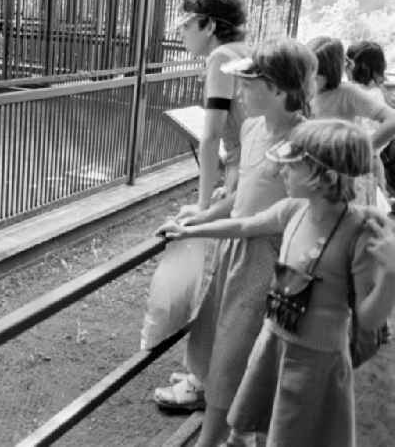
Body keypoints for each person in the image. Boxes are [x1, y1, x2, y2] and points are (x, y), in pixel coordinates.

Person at [158, 119, 395, 447]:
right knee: (267, 428)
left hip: (316, 363)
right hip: (273, 346)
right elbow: (243, 226)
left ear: (322, 177)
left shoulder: (357, 234)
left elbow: (368, 319)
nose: (280, 170)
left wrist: (391, 276)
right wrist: (190, 231)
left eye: (291, 165)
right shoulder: (292, 210)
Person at [157, 38, 317, 446]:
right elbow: (242, 193)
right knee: (217, 343)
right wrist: (205, 214)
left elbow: (264, 222)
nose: (240, 92)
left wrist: (196, 230)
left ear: (279, 90)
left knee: (237, 356)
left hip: (270, 262)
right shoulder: (252, 127)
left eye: (249, 83)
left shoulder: (303, 145)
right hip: (234, 253)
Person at [153, 0, 251, 412]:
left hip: (245, 177)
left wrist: (204, 206)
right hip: (247, 173)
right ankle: (208, 374)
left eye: (189, 23)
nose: (183, 32)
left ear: (210, 25)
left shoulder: (220, 57)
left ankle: (204, 383)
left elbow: (211, 135)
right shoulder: (243, 52)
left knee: (227, 281)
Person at [307, 36, 395, 205]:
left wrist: (363, 149)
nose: (309, 81)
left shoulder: (347, 93)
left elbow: (392, 119)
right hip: (316, 174)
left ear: (330, 73)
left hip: (345, 175)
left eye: (315, 76)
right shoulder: (306, 92)